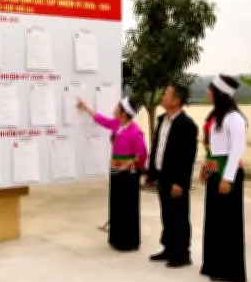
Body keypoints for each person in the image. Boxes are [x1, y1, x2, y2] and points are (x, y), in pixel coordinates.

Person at [77, 95, 148, 251]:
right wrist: (86, 107)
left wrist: (131, 163)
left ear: (124, 112)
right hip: (116, 172)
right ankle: (116, 239)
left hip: (128, 175)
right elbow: (101, 120)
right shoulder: (117, 124)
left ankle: (129, 241)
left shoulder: (135, 131)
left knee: (127, 207)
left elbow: (142, 154)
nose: (114, 109)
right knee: (116, 205)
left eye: (117, 107)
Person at [200, 74, 248, 282]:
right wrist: (206, 168)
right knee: (214, 222)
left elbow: (236, 150)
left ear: (220, 93)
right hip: (215, 174)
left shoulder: (234, 118)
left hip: (227, 175)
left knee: (228, 225)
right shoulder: (217, 116)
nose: (208, 93)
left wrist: (227, 178)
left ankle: (229, 271)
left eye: (211, 90)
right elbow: (214, 149)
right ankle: (213, 265)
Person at [147, 84, 198, 268]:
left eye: (166, 94)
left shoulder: (187, 125)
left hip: (176, 179)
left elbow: (188, 158)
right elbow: (157, 148)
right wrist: (152, 172)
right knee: (167, 214)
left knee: (179, 216)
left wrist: (180, 182)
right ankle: (168, 248)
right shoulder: (162, 120)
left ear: (176, 100)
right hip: (162, 175)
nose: (163, 96)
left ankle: (182, 254)